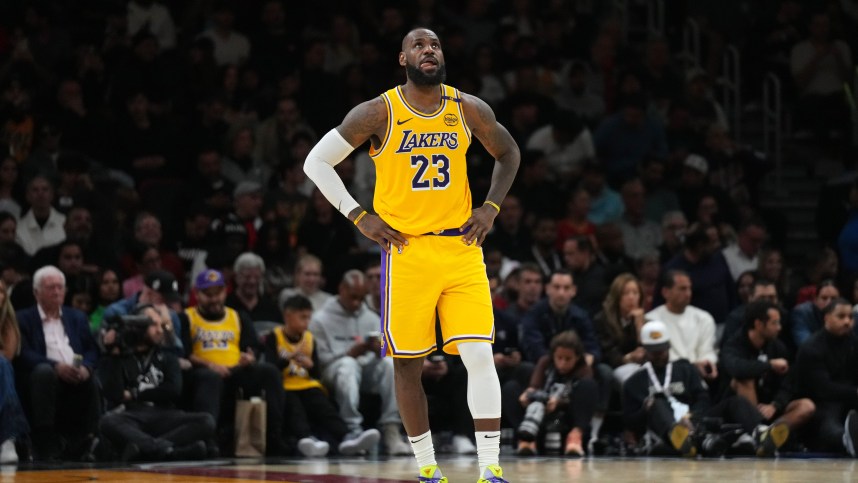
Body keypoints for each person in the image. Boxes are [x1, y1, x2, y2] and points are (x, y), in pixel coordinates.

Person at [302, 28, 520, 483]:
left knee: (479, 354)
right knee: (408, 363)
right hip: (407, 251)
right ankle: (427, 467)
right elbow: (316, 162)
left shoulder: (468, 108)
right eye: (419, 46)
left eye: (436, 45)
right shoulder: (378, 111)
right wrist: (359, 215)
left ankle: (490, 468)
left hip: (461, 248)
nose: (429, 51)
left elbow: (509, 152)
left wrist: (491, 207)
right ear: (402, 58)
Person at [180, 269, 288, 456]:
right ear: (197, 294)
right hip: (202, 373)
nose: (214, 299)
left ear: (225, 292)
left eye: (218, 293)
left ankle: (273, 437)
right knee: (209, 378)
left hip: (235, 371)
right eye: (208, 294)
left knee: (269, 372)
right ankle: (208, 438)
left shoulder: (237, 316)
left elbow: (252, 347)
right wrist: (211, 365)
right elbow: (185, 353)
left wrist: (249, 357)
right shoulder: (187, 317)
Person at [263, 294, 380, 457]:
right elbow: (270, 367)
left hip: (307, 384)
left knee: (325, 408)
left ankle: (347, 437)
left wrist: (310, 366)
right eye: (302, 317)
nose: (307, 322)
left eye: (309, 317)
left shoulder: (310, 339)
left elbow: (317, 373)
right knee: (295, 409)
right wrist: (287, 359)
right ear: (288, 316)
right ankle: (307, 439)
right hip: (286, 385)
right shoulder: (274, 336)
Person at [309, 270, 411, 456]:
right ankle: (352, 429)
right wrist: (349, 353)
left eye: (361, 298)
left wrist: (379, 349)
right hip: (334, 371)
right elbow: (320, 362)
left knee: (389, 363)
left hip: (365, 370)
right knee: (348, 364)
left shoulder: (371, 318)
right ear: (341, 289)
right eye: (352, 297)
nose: (357, 303)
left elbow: (386, 350)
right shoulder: (320, 319)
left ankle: (391, 430)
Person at [97, 304, 216, 462]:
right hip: (132, 416)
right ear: (137, 325)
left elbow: (173, 390)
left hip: (163, 414)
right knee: (107, 421)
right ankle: (170, 450)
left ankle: (146, 449)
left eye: (161, 325)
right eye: (154, 325)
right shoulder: (120, 357)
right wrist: (112, 355)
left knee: (206, 421)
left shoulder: (168, 358)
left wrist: (134, 394)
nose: (160, 330)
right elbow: (114, 394)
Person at [15, 265, 100, 461]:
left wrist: (86, 367)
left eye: (60, 287)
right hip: (41, 376)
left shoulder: (76, 316)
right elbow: (23, 353)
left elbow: (92, 349)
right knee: (44, 372)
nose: (56, 291)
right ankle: (45, 440)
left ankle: (91, 438)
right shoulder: (23, 318)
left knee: (91, 377)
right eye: (50, 287)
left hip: (75, 372)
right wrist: (56, 366)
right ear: (37, 292)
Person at [720, 300, 815, 456]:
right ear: (758, 324)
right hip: (739, 411)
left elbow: (788, 383)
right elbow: (736, 368)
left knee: (807, 406)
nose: (779, 327)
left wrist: (775, 405)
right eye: (774, 323)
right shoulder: (734, 344)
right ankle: (759, 433)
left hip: (769, 408)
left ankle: (769, 437)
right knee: (745, 380)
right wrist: (769, 365)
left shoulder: (777, 346)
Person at [515, 330, 597, 457]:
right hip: (540, 413)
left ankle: (575, 436)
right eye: (559, 358)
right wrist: (527, 395)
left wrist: (558, 402)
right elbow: (534, 387)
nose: (562, 363)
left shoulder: (584, 371)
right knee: (511, 389)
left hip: (567, 417)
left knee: (589, 386)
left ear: (577, 357)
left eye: (568, 359)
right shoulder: (545, 362)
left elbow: (579, 400)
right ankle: (526, 437)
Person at [793, 298, 858, 455]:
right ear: (826, 318)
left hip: (847, 396)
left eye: (850, 317)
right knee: (829, 422)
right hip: (820, 402)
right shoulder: (812, 347)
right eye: (841, 316)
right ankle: (845, 440)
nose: (847, 321)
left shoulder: (853, 342)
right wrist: (855, 392)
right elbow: (823, 389)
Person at [646, 270, 718, 381]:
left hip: (701, 376)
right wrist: (692, 367)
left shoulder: (704, 318)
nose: (688, 293)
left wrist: (706, 361)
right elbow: (661, 355)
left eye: (689, 288)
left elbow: (708, 350)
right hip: (667, 376)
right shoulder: (652, 320)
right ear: (666, 292)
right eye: (682, 289)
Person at [0, 278, 28, 464]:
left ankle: (7, 440)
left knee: (3, 365)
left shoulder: (8, 321)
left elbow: (8, 354)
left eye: (2, 291)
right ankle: (8, 437)